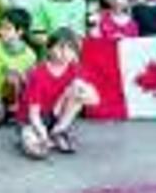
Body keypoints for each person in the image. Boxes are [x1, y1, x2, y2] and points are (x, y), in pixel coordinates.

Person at [17, 28, 100, 159]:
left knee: (79, 87)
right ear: (49, 49)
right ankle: (44, 136)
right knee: (35, 147)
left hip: (56, 114)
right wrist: (42, 133)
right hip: (34, 118)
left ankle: (59, 131)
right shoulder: (38, 73)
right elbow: (33, 114)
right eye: (60, 48)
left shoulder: (75, 69)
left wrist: (80, 90)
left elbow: (95, 100)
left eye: (70, 49)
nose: (65, 53)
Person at [0, 7, 37, 127]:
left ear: (20, 32)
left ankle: (14, 110)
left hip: (17, 95)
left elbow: (31, 83)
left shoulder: (30, 55)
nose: (2, 32)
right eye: (1, 27)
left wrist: (19, 75)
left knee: (13, 75)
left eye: (8, 29)